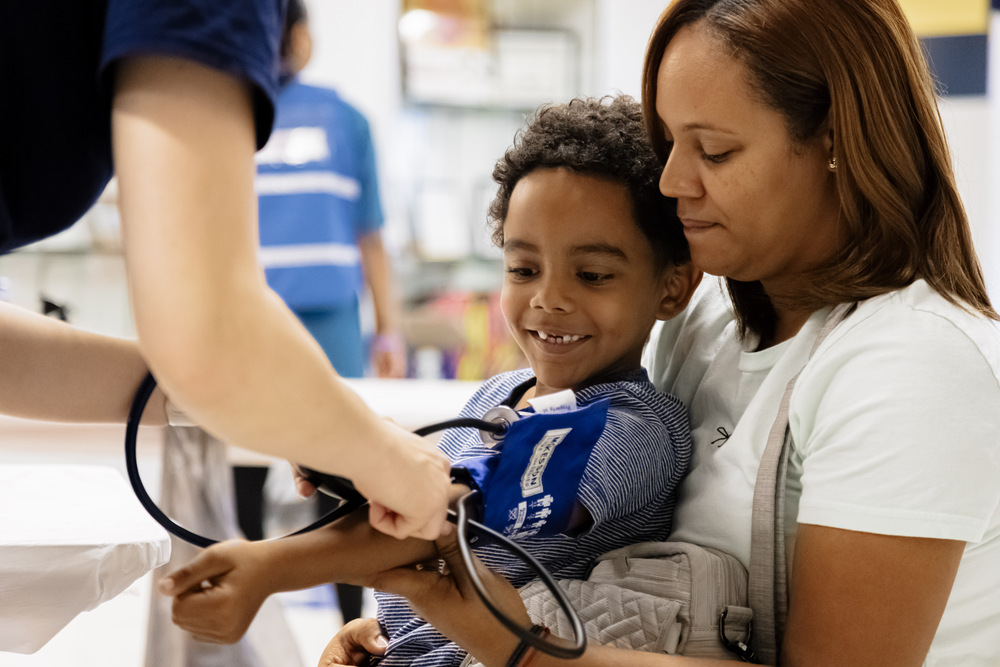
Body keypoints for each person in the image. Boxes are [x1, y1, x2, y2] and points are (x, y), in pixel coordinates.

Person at [332, 1, 1000, 666]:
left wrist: (519, 647)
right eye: (669, 144)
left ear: (833, 139)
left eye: (714, 150)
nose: (674, 181)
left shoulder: (915, 371)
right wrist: (420, 638)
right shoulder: (708, 322)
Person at [157, 95, 701, 666]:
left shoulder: (632, 431)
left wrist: (271, 567)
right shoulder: (497, 396)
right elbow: (424, 517)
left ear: (672, 286)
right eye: (523, 269)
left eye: (592, 275)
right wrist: (354, 463)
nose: (548, 299)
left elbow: (446, 520)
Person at [0, 0, 451, 541]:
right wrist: (396, 464)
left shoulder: (345, 119)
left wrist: (265, 407)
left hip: (308, 317)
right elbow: (213, 333)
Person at [232, 0, 406, 625]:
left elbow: (370, 236)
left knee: (261, 465)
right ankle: (339, 613)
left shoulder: (232, 115)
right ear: (301, 38)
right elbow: (372, 237)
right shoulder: (338, 117)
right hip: (295, 318)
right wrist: (388, 328)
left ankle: (287, 613)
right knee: (333, 468)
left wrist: (387, 327)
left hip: (274, 319)